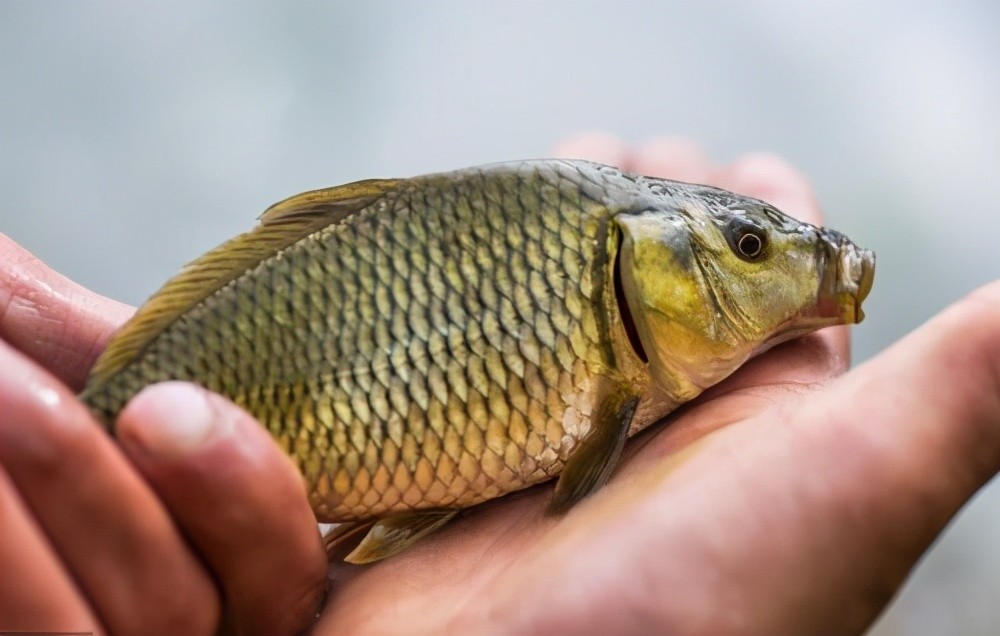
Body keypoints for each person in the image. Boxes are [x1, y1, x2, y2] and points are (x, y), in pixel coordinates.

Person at [2, 135, 998, 635]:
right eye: (746, 248)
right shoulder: (611, 380)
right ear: (632, 266)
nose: (767, 260)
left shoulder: (640, 362)